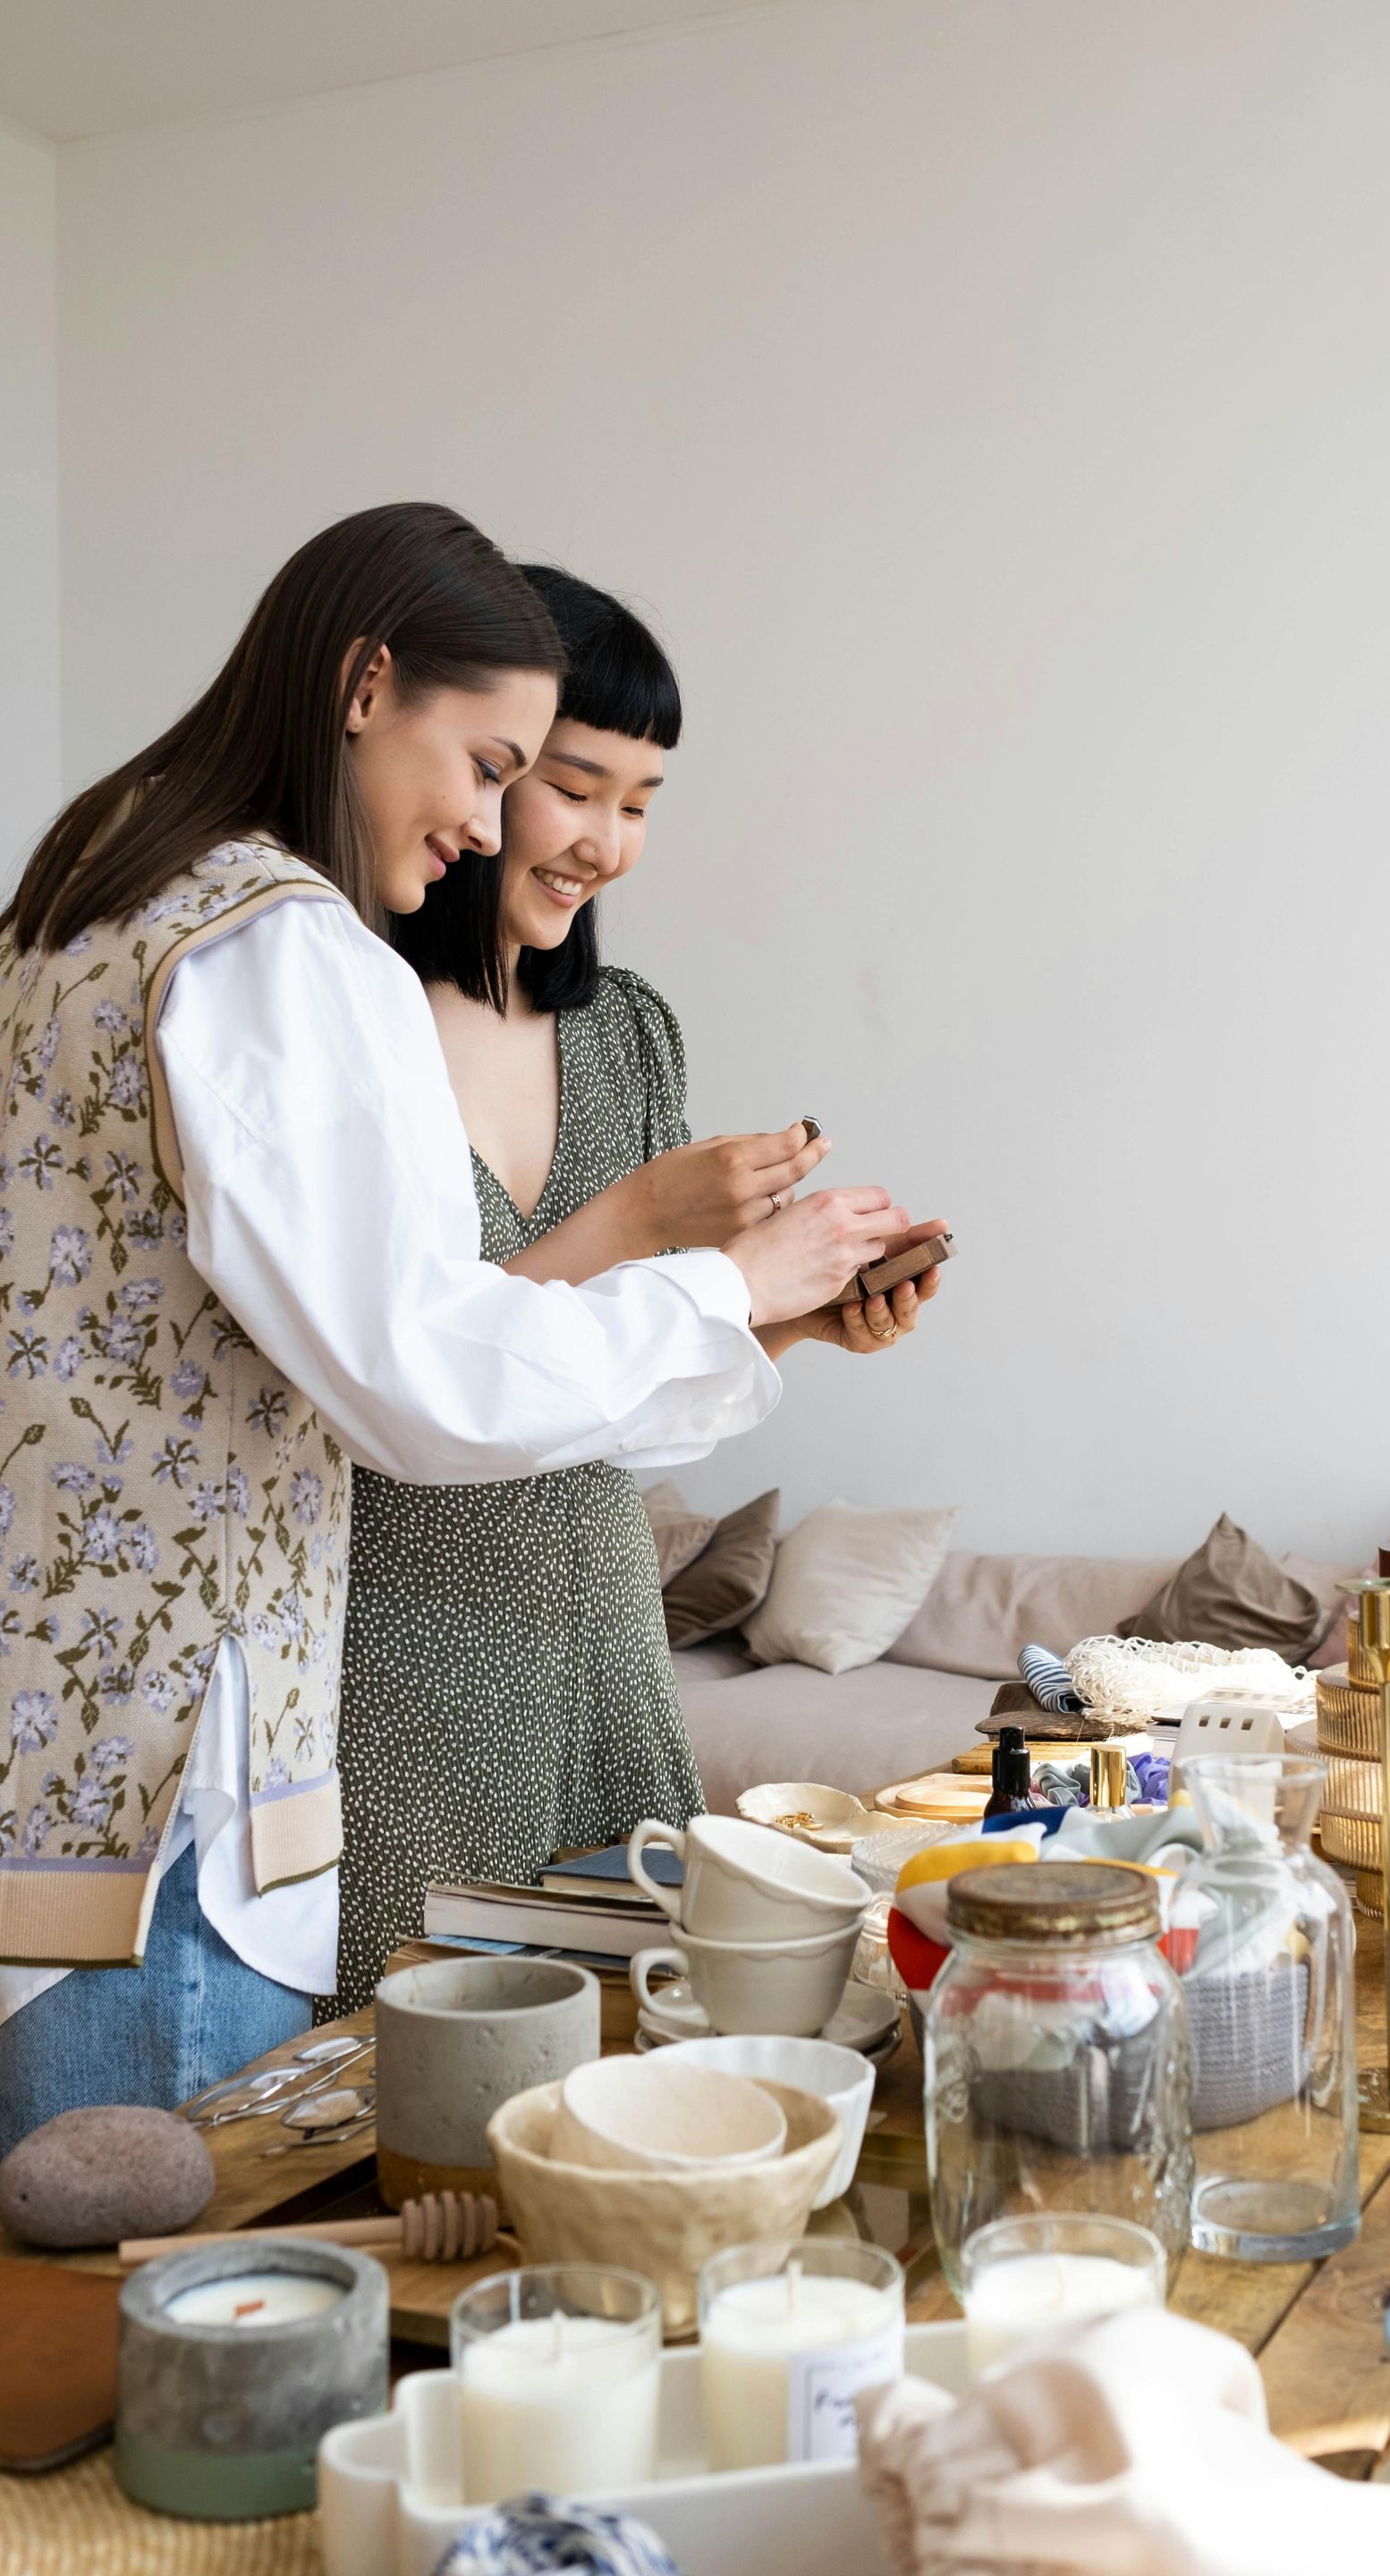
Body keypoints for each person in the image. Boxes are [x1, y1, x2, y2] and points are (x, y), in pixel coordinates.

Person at [0, 505, 909, 2152]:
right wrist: (727, 1287)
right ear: (365, 685)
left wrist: (755, 1324)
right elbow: (421, 1372)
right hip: (187, 1823)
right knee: (198, 2356)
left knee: (64, 2345)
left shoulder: (94, 877)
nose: (494, 822)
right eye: (494, 765)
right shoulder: (283, 944)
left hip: (60, 1778)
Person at [332, 568, 944, 2012]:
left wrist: (784, 1318)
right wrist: (652, 1225)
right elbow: (407, 1371)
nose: (607, 842)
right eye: (573, 788)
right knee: (404, 2075)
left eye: (644, 801)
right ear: (481, 777)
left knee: (634, 2048)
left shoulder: (625, 1035)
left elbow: (615, 1391)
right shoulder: (350, 1015)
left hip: (598, 1627)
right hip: (403, 1647)